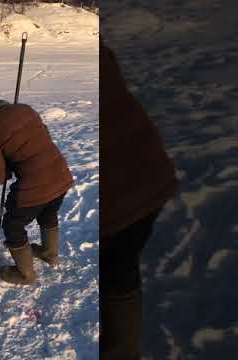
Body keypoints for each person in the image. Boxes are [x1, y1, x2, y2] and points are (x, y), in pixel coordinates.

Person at [100, 37, 178, 359]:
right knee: (121, 268)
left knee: (117, 267)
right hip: (149, 171)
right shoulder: (100, 50)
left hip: (123, 190)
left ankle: (120, 350)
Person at [0, 100, 74, 285]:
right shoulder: (25, 109)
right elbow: (43, 136)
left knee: (13, 226)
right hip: (61, 175)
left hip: (35, 184)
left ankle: (25, 275)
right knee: (48, 211)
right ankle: (49, 254)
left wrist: (6, 165)